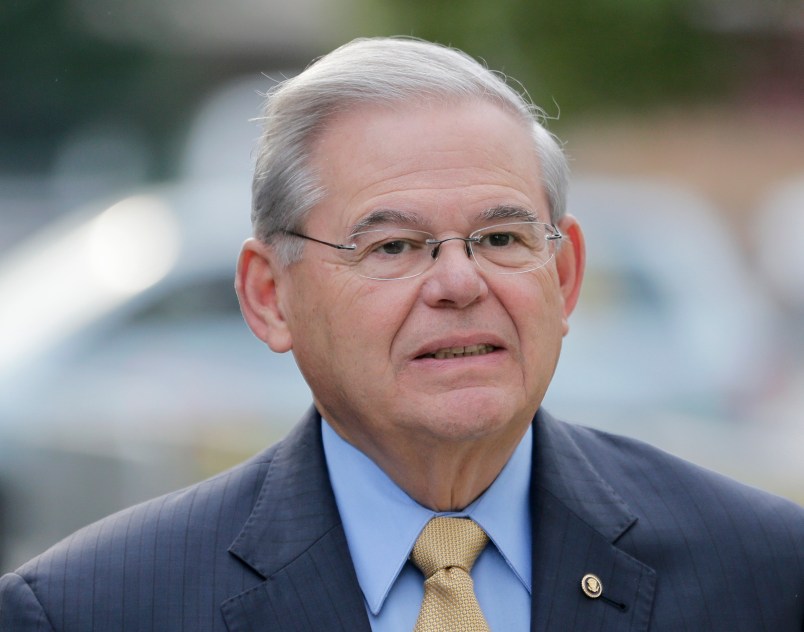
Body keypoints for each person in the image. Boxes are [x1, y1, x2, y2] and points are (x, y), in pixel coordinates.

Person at [1, 36, 802, 632]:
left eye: (500, 239)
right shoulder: (94, 609)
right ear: (270, 296)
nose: (460, 284)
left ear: (563, 278)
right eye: (392, 247)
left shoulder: (766, 574)